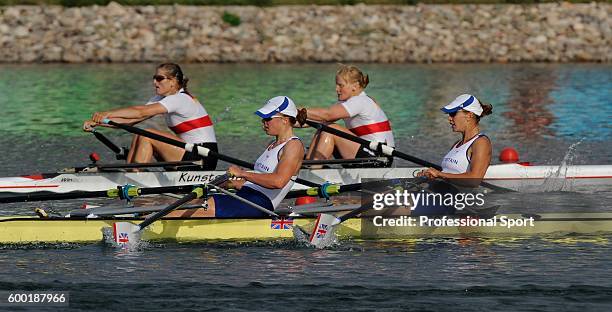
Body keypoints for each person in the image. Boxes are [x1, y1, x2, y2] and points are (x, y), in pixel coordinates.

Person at [167, 96, 304, 218]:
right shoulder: (273, 144)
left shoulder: (293, 146)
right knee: (192, 202)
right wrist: (231, 184)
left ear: (285, 120)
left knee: (193, 208)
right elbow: (259, 183)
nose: (264, 122)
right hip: (247, 197)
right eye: (263, 118)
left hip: (259, 204)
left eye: (268, 118)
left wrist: (242, 174)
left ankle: (150, 224)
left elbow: (278, 182)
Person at [83, 63, 218, 169]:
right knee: (139, 134)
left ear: (173, 81)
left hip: (203, 156)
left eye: (159, 78)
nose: (155, 82)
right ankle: (130, 172)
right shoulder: (160, 99)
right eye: (154, 78)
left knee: (147, 135)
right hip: (191, 152)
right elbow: (131, 120)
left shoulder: (180, 99)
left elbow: (140, 111)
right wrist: (99, 122)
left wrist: (107, 113)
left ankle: (135, 177)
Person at [295, 64, 395, 167]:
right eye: (336, 85)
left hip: (379, 157)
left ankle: (313, 169)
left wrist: (295, 110)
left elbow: (327, 115)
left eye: (340, 85)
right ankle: (310, 164)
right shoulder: (348, 103)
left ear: (355, 86)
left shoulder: (361, 101)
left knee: (330, 129)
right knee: (323, 127)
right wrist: (288, 119)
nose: (336, 89)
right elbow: (317, 121)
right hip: (369, 153)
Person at [412, 94, 493, 215]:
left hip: (457, 205)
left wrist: (440, 174)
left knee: (390, 206)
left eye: (453, 114)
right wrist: (431, 176)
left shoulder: (481, 142)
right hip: (441, 197)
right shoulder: (456, 144)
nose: (449, 118)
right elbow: (448, 174)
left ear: (469, 115)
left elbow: (474, 180)